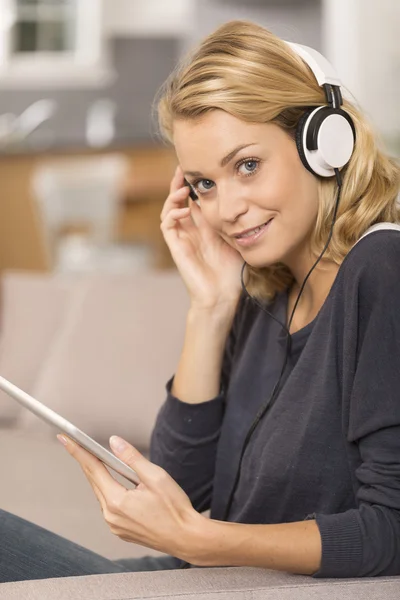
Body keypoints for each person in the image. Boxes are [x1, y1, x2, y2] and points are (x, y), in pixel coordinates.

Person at [1, 20, 400, 583]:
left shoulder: (381, 272)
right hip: (205, 571)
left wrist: (203, 540)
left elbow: (391, 529)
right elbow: (180, 485)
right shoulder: (267, 289)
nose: (226, 208)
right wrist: (209, 308)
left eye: (247, 165)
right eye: (204, 184)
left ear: (324, 144)